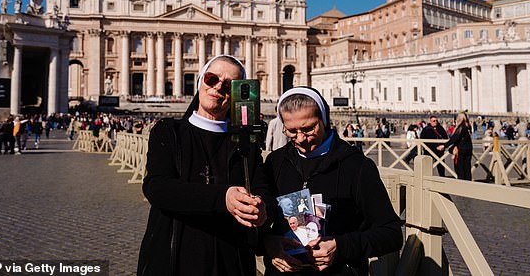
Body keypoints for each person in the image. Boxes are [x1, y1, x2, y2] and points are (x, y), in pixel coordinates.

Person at [137, 55, 274, 276]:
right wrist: (223, 199)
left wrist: (261, 210)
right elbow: (156, 187)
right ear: (201, 81)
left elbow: (265, 193)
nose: (218, 87)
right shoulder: (168, 131)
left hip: (231, 261)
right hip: (173, 257)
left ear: (239, 94)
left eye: (229, 85)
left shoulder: (246, 143)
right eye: (212, 79)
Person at [263, 87, 402, 275]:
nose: (301, 139)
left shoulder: (357, 166)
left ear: (325, 120)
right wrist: (268, 243)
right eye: (291, 131)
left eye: (308, 128)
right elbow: (261, 223)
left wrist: (340, 246)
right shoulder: (275, 162)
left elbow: (391, 234)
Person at [438, 112, 473, 181]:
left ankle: (462, 183)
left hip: (461, 150)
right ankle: (468, 184)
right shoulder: (468, 126)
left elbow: (454, 138)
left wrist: (444, 146)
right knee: (467, 168)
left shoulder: (461, 127)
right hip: (469, 149)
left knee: (460, 168)